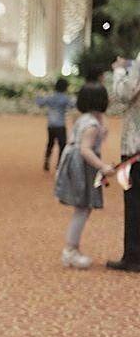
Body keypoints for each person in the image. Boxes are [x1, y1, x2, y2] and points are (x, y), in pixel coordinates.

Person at [54, 81, 114, 269]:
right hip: (82, 166)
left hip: (77, 163)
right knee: (82, 208)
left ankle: (73, 249)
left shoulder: (85, 119)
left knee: (83, 208)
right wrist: (103, 167)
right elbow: (86, 150)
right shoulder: (91, 125)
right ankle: (70, 250)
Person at [107, 54, 140, 272]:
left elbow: (125, 93)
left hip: (136, 145)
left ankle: (134, 256)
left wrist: (119, 70)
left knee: (134, 200)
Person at [36, 78, 74, 171]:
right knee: (62, 145)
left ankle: (47, 160)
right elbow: (73, 105)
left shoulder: (50, 97)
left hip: (51, 125)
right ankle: (59, 164)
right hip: (60, 125)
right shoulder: (65, 98)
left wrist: (38, 95)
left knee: (50, 143)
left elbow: (40, 103)